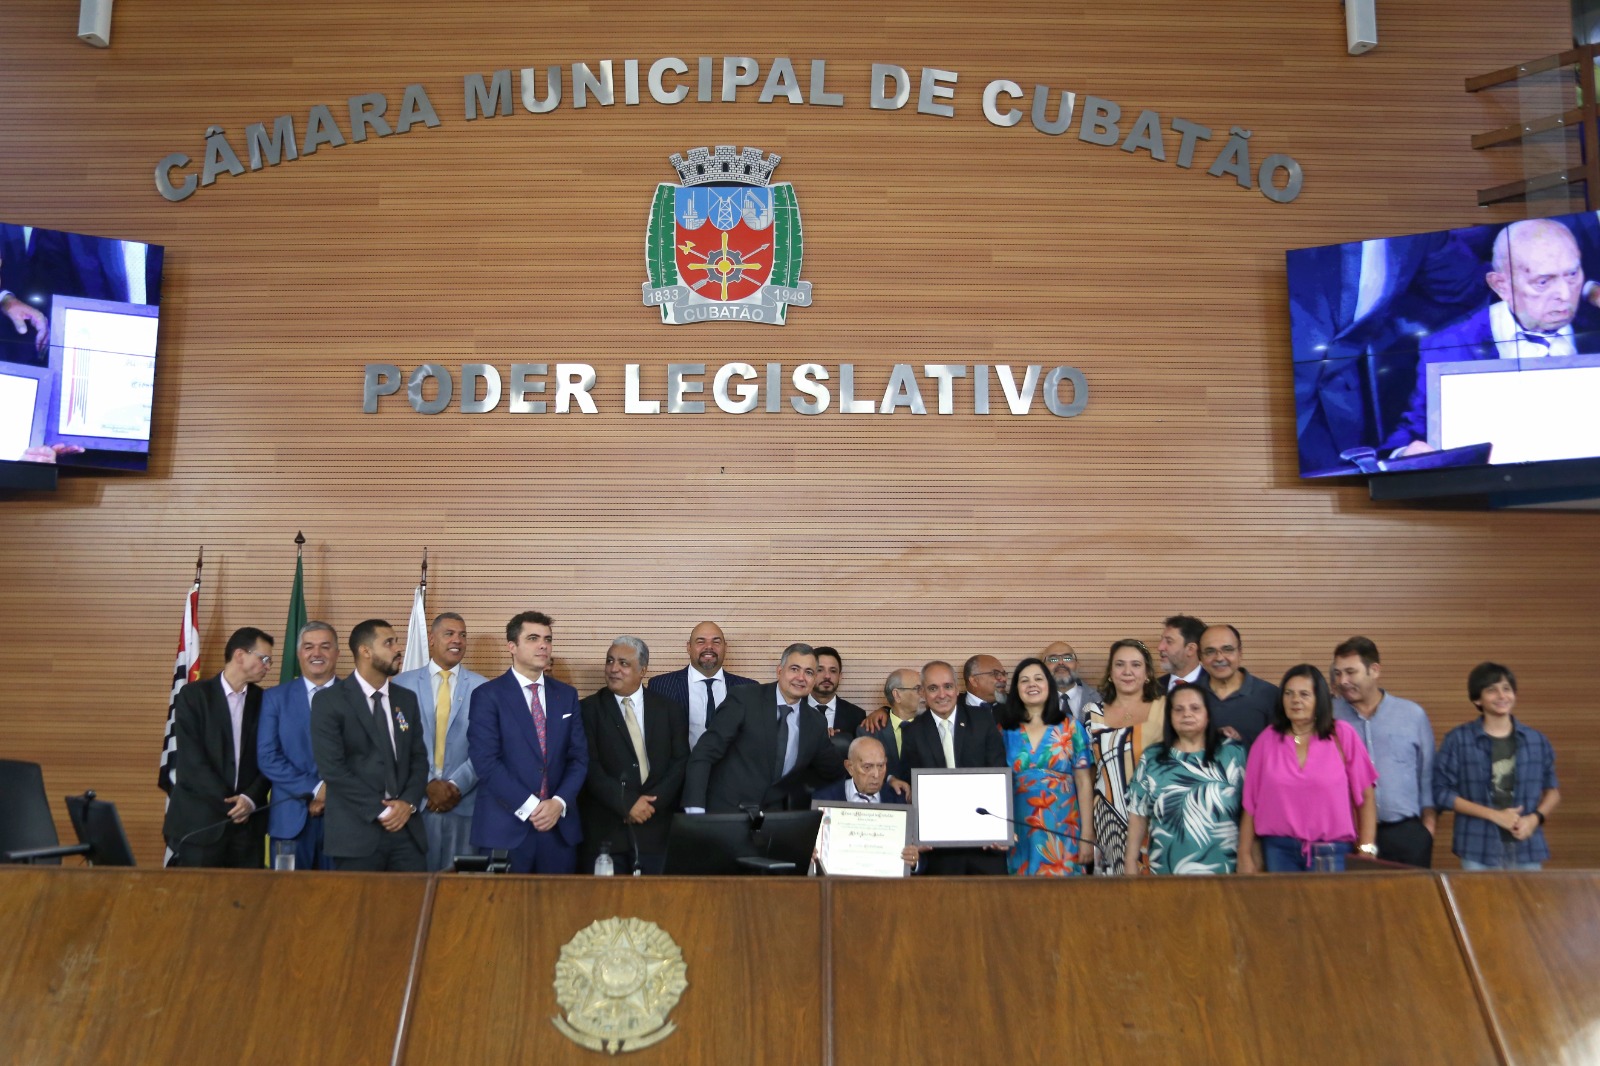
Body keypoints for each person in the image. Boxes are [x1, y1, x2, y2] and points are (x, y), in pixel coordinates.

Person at [1386, 217, 1600, 454]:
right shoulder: (1452, 346)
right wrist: (1404, 454)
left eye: (1571, 275)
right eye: (1543, 282)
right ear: (1500, 285)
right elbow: (1411, 436)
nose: (1564, 293)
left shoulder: (1594, 328)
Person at [467, 611, 588, 874]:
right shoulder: (488, 696)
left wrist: (558, 803)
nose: (543, 645)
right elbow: (485, 762)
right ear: (512, 646)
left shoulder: (566, 695)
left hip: (559, 829)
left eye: (547, 639)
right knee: (503, 913)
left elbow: (578, 758)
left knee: (559, 912)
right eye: (533, 638)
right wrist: (532, 806)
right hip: (505, 828)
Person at [309, 619, 429, 872]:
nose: (399, 649)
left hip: (406, 833)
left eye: (397, 641)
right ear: (365, 651)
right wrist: (381, 811)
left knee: (411, 909)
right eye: (389, 643)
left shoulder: (406, 699)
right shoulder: (329, 701)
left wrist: (407, 803)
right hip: (356, 835)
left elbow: (418, 759)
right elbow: (333, 770)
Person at [1239, 664, 1378, 873]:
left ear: (1319, 700)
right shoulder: (1267, 740)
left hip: (1333, 852)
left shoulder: (1342, 735)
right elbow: (1250, 804)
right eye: (1289, 693)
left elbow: (1366, 797)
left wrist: (1366, 850)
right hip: (1278, 851)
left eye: (1304, 694)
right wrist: (1244, 853)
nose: (1296, 700)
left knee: (1330, 907)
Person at [682, 642, 845, 813]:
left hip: (772, 821)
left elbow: (834, 772)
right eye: (794, 669)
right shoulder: (745, 699)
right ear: (780, 671)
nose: (801, 677)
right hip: (725, 813)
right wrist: (695, 809)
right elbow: (705, 752)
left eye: (809, 672)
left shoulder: (816, 723)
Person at [162, 626, 275, 867]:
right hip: (201, 824)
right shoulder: (193, 696)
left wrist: (250, 799)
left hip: (247, 827)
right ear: (240, 655)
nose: (268, 666)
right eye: (263, 659)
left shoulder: (265, 701)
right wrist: (231, 802)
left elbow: (270, 757)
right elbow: (192, 761)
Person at [577, 636, 688, 875]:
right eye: (610, 661)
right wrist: (627, 803)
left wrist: (651, 804)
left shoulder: (668, 709)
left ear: (643, 670)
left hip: (656, 829)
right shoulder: (588, 710)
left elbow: (680, 762)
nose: (613, 669)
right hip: (607, 832)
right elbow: (588, 766)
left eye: (623, 663)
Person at [1434, 662, 1560, 871]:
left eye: (1507, 689)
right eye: (1491, 690)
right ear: (1477, 699)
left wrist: (1534, 819)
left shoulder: (1536, 740)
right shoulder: (1459, 739)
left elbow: (1553, 791)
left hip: (1527, 846)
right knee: (1480, 904)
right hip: (1477, 846)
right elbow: (1441, 792)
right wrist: (1494, 815)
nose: (1502, 696)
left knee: (1528, 904)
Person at [1330, 636, 1438, 868]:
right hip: (1349, 835)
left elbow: (1427, 777)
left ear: (1374, 670)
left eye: (1351, 672)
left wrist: (1427, 830)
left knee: (1412, 902)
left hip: (1406, 835)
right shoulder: (1329, 717)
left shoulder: (1412, 715)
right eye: (1338, 673)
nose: (1343, 681)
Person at [393, 612, 488, 872]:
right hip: (414, 805)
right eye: (449, 634)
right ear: (432, 639)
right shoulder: (402, 685)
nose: (457, 640)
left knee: (462, 893)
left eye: (463, 635)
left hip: (464, 805)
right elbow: (397, 743)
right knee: (413, 892)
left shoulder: (484, 689)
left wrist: (456, 785)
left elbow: (488, 748)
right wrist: (427, 784)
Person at [897, 660, 1008, 875]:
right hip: (938, 847)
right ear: (922, 692)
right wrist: (895, 780)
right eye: (933, 688)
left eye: (947, 686)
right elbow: (908, 781)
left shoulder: (983, 720)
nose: (942, 694)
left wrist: (1002, 830)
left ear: (957, 689)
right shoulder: (912, 732)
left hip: (985, 842)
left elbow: (999, 774)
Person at [1126, 683, 1246, 875]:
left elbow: (1251, 811)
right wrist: (1130, 860)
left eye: (1195, 708)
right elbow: (1138, 814)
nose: (1187, 714)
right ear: (1170, 716)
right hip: (1166, 871)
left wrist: (1249, 856)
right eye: (1178, 709)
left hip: (1224, 870)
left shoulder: (1233, 754)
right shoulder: (1152, 758)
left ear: (1208, 715)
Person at [995, 657, 1094, 876]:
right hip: (1018, 828)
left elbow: (1084, 782)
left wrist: (1087, 834)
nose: (1032, 684)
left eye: (1038, 679)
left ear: (1049, 685)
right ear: (1016, 689)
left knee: (1066, 901)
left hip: (1064, 826)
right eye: (1024, 680)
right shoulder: (1004, 730)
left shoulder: (1070, 727)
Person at [257, 621, 340, 871]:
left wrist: (330, 794)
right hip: (289, 822)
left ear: (336, 653)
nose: (317, 653)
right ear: (298, 654)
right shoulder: (274, 698)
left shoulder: (355, 696)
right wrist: (316, 789)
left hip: (343, 823)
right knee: (287, 902)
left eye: (325, 647)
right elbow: (268, 757)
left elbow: (365, 757)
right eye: (308, 647)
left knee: (341, 901)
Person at [1087, 639, 1166, 876]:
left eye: (1135, 665)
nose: (1127, 671)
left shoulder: (1166, 708)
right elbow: (1090, 771)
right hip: (1107, 818)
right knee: (1115, 898)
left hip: (1156, 815)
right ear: (1110, 673)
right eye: (1120, 665)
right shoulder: (1092, 712)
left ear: (1148, 673)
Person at [646, 621, 758, 747]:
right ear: (688, 647)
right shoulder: (661, 686)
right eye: (700, 641)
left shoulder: (750, 689)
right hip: (682, 766)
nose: (709, 646)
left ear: (725, 647)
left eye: (716, 642)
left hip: (731, 766)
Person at [1197, 624, 1278, 749]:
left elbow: (1296, 739)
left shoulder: (1271, 695)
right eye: (1210, 651)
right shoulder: (1188, 695)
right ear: (1200, 657)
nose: (1219, 657)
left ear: (1240, 652)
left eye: (1227, 649)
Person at [859, 668, 922, 783]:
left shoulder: (932, 727)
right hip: (885, 798)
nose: (924, 693)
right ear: (897, 695)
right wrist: (889, 780)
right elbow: (863, 774)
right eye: (918, 688)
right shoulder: (869, 731)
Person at [813, 736, 897, 803]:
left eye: (881, 766)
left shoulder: (898, 798)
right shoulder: (824, 799)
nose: (876, 775)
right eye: (867, 767)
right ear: (850, 767)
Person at [810, 646, 869, 738]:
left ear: (840, 676)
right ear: (810, 673)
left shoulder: (856, 715)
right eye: (820, 670)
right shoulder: (795, 709)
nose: (827, 676)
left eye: (833, 671)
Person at [1041, 640, 1097, 722]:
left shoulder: (1100, 699)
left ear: (1077, 665)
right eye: (1053, 659)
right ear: (1042, 667)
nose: (1061, 662)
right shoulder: (1031, 700)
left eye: (1067, 658)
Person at [1155, 614, 1206, 690]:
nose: (1160, 647)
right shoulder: (1153, 687)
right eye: (1161, 640)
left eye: (1169, 641)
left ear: (1190, 649)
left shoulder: (1215, 685)